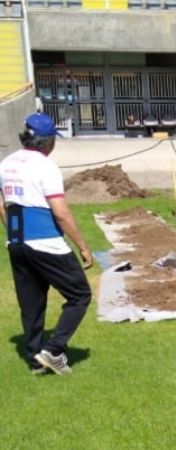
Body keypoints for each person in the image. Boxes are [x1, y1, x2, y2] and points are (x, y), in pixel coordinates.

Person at [0, 112, 94, 375]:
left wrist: (14, 234)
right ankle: (53, 351)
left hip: (16, 240)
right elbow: (60, 212)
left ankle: (34, 360)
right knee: (79, 294)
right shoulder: (45, 166)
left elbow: (1, 205)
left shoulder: (6, 163)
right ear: (46, 141)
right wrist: (83, 246)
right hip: (46, 240)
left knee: (31, 303)